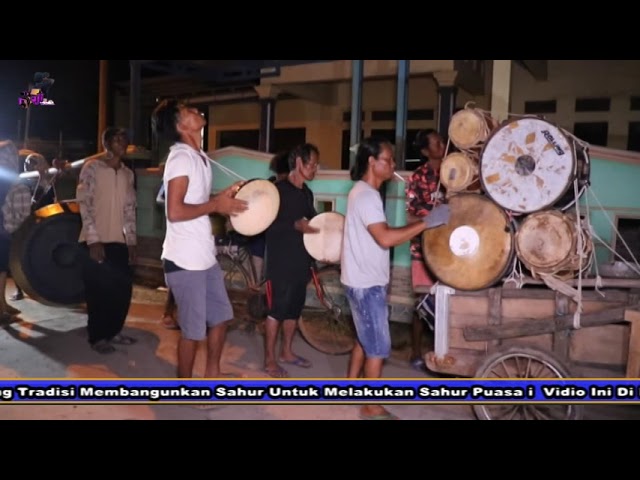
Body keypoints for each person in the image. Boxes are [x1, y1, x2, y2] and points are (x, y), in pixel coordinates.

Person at [341, 136, 450, 420]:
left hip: (361, 279)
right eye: (387, 160)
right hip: (366, 284)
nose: (392, 165)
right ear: (371, 162)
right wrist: (427, 222)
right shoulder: (366, 195)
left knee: (365, 337)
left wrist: (422, 220)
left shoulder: (364, 193)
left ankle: (350, 386)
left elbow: (385, 229)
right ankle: (370, 406)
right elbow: (386, 237)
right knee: (377, 345)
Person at [151, 99, 248, 379]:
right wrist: (216, 205)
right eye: (188, 111)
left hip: (204, 257)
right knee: (192, 332)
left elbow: (196, 203)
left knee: (220, 318)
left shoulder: (199, 157)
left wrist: (222, 200)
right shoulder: (180, 158)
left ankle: (213, 375)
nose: (197, 111)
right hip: (184, 261)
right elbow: (175, 210)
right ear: (181, 126)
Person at [76, 127, 138, 354]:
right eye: (117, 139)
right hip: (96, 240)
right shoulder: (92, 168)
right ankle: (98, 336)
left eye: (125, 139)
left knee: (121, 290)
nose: (123, 143)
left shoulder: (127, 174)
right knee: (98, 291)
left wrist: (131, 242)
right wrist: (93, 240)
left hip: (119, 241)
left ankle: (114, 331)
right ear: (107, 143)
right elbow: (85, 203)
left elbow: (130, 210)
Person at [263, 143, 320, 378]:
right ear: (298, 162)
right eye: (311, 164)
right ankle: (269, 360)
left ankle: (287, 352)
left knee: (293, 310)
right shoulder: (277, 191)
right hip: (280, 262)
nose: (315, 169)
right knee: (276, 310)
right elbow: (264, 224)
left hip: (301, 261)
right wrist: (293, 225)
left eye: (317, 165)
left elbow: (314, 220)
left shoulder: (306, 192)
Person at [405, 129, 446, 372]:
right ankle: (416, 352)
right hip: (423, 249)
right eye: (436, 143)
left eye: (442, 141)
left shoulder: (458, 172)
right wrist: (433, 218)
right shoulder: (419, 178)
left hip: (452, 251)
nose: (442, 145)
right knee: (422, 303)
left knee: (449, 304)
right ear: (424, 151)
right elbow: (410, 215)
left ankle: (443, 353)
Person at [8, 153, 57, 301]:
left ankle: (46, 289)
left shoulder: (46, 181)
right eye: (28, 162)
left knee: (42, 259)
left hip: (41, 227)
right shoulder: (23, 181)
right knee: (16, 259)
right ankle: (19, 290)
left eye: (33, 162)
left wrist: (44, 180)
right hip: (23, 225)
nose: (29, 165)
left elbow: (45, 202)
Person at [247, 149, 291, 285]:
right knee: (259, 280)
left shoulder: (272, 185)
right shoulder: (273, 187)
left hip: (265, 240)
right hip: (261, 240)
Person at [0, 140, 24, 319]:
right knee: (1, 268)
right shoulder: (10, 179)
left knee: (1, 268)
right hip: (3, 229)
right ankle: (0, 308)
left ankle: (2, 303)